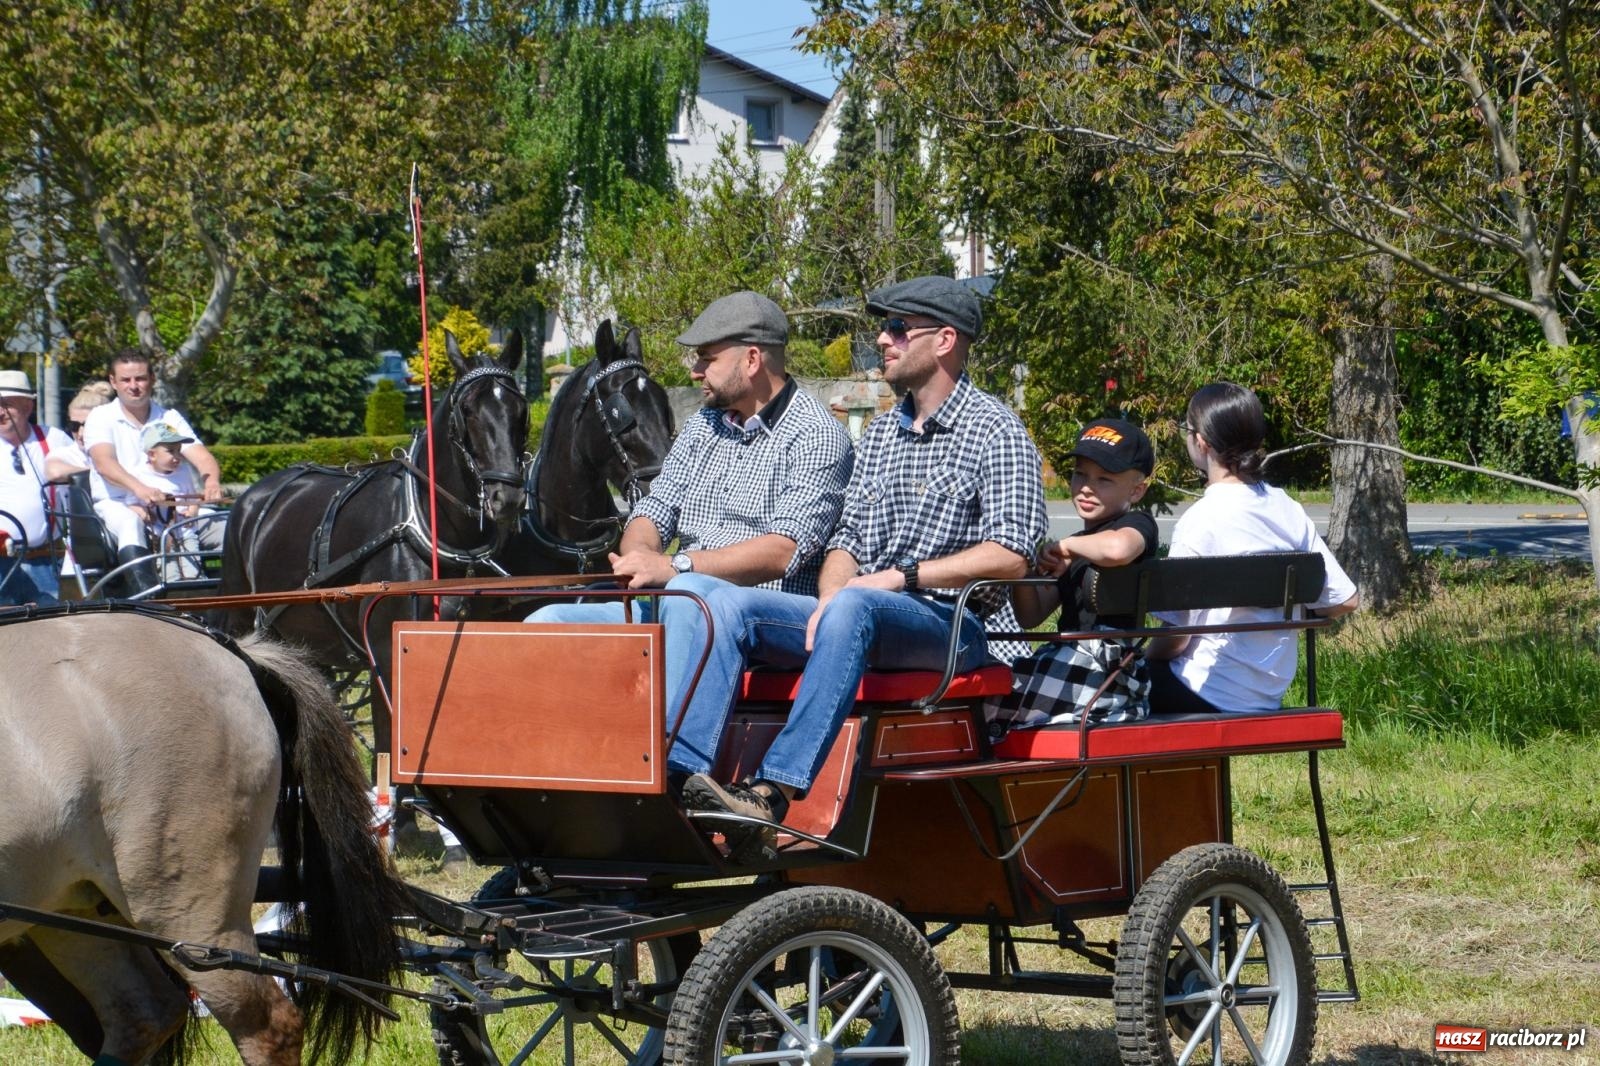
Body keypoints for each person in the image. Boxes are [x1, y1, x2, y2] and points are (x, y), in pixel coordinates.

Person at [676, 275, 1049, 846]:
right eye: (885, 328)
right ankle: (683, 782)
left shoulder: (996, 430)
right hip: (862, 612)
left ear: (945, 341)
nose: (883, 339)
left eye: (899, 329)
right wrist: (828, 601)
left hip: (951, 625)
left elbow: (1013, 553)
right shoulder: (879, 436)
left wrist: (900, 578)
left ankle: (771, 795)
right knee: (721, 604)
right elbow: (846, 540)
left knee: (855, 608)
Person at [527, 291, 855, 726]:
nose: (695, 370)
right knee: (548, 619)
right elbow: (654, 508)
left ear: (752, 360)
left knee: (692, 599)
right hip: (683, 597)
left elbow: (784, 551)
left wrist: (677, 566)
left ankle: (661, 759)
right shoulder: (705, 424)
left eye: (707, 358)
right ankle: (540, 765)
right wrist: (640, 554)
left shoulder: (816, 435)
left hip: (764, 611)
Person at [1147, 382, 1360, 712]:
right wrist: (1284, 610)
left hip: (1201, 690)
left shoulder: (1200, 519)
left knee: (1116, 688)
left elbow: (1177, 638)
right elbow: (1345, 599)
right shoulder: (1285, 507)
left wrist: (1139, 657)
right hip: (1264, 697)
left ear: (1201, 442)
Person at [987, 418, 1160, 730]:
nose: (1086, 488)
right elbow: (1031, 616)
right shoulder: (1080, 546)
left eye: (1104, 480)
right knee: (982, 691)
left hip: (1106, 674)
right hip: (1072, 664)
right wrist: (1023, 567)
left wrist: (1067, 546)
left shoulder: (1138, 523)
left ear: (1136, 491)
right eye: (1080, 474)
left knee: (980, 706)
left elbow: (1120, 549)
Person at [83, 350, 223, 591]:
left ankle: (239, 598)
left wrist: (211, 483)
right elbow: (104, 463)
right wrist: (140, 490)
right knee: (130, 524)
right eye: (126, 380)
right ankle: (147, 600)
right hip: (118, 502)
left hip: (172, 507)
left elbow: (201, 456)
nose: (134, 386)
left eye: (140, 378)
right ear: (113, 382)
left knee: (229, 524)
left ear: (152, 380)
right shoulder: (100, 416)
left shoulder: (169, 417)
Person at [0, 370, 88, 605]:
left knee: (51, 631)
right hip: (1, 565)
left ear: (28, 407)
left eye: (6, 404)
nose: (0, 411)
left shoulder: (53, 439)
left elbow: (88, 474)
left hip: (45, 562)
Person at [101, 422, 225, 581]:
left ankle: (195, 590)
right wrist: (142, 512)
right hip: (161, 537)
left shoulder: (184, 472)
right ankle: (173, 595)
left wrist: (193, 509)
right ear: (152, 455)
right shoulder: (140, 475)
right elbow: (131, 502)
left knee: (193, 568)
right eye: (171, 451)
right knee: (169, 572)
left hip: (185, 531)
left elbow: (191, 495)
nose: (177, 457)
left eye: (179, 451)